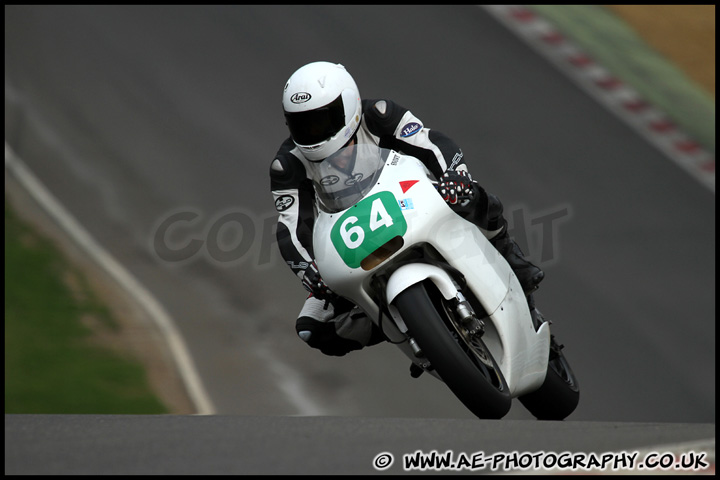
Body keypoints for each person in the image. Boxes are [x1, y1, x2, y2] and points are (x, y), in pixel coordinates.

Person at [270, 61, 543, 358]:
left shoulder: (379, 115)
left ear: (348, 105)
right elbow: (291, 227)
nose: (312, 133)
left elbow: (431, 143)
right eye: (302, 125)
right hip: (350, 242)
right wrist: (308, 272)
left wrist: (455, 175)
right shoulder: (288, 165)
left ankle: (509, 255)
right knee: (311, 328)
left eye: (320, 121)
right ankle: (404, 326)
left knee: (468, 195)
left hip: (411, 205)